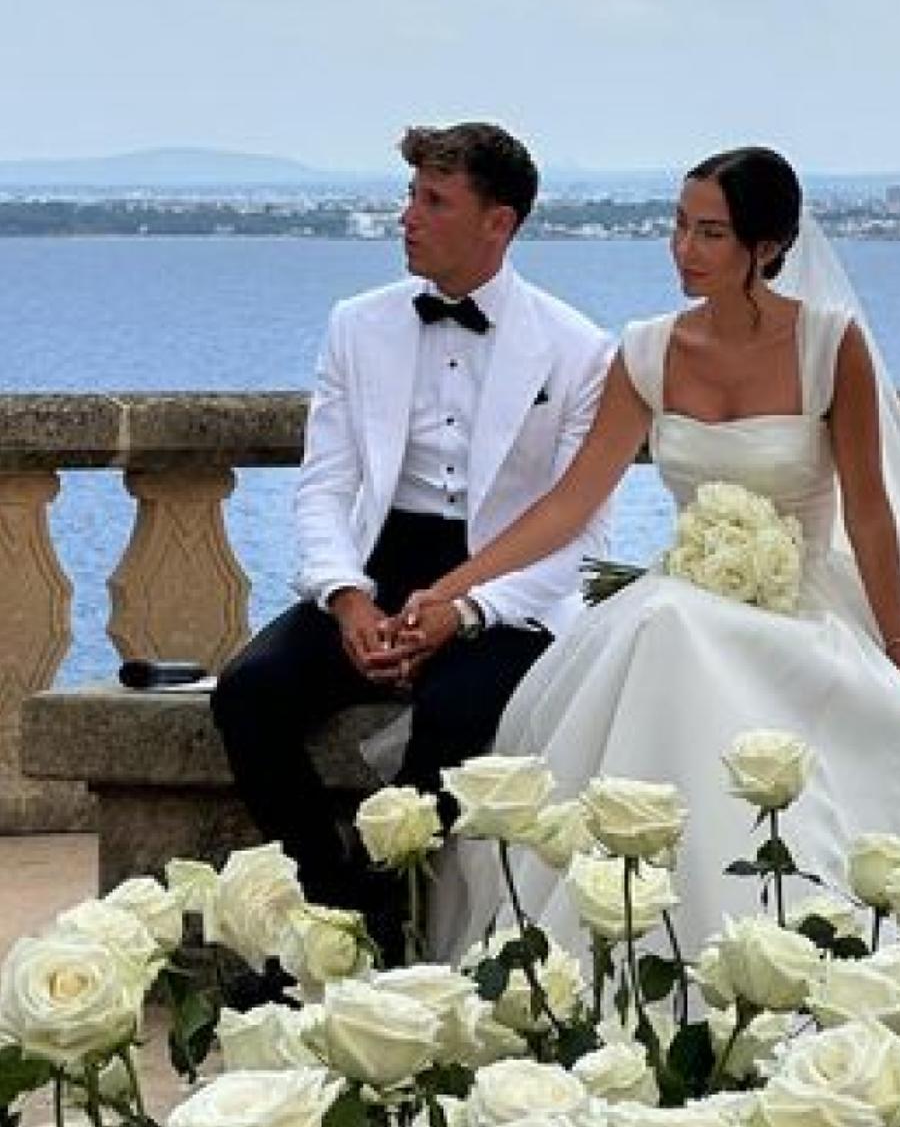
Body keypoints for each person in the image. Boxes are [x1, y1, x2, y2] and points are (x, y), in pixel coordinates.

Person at [401, 144, 900, 961]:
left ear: (768, 247)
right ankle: (647, 935)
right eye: (679, 227)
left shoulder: (830, 345)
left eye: (710, 234)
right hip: (683, 600)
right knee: (666, 632)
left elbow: (868, 509)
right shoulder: (645, 350)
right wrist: (449, 591)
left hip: (808, 604)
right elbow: (571, 502)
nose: (685, 250)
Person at [210, 122, 612, 947]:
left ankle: (404, 918)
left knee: (458, 716)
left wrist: (462, 612)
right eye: (409, 196)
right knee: (249, 691)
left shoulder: (580, 350)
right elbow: (324, 486)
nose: (407, 217)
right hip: (377, 565)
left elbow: (577, 537)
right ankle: (334, 909)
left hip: (503, 586)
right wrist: (349, 599)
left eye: (434, 201)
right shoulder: (356, 325)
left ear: (497, 223)